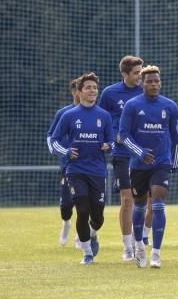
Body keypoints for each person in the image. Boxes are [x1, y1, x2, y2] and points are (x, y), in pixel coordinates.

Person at [120, 65, 178, 269]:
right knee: (138, 205)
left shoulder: (170, 106)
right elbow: (124, 136)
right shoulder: (132, 105)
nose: (154, 84)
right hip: (138, 165)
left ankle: (156, 253)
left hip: (161, 163)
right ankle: (138, 245)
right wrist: (140, 152)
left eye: (157, 81)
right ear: (141, 83)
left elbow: (175, 136)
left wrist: (174, 161)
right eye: (150, 81)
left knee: (158, 203)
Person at [50, 73, 114, 265]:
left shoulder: (104, 116)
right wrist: (67, 152)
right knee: (82, 209)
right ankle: (86, 253)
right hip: (76, 171)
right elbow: (54, 140)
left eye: (95, 87)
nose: (92, 91)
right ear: (79, 92)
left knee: (98, 216)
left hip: (97, 171)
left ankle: (93, 234)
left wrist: (108, 146)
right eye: (88, 87)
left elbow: (112, 141)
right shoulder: (69, 115)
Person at [99, 55, 144, 261]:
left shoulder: (147, 91)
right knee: (127, 199)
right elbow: (100, 120)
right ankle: (127, 247)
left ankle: (140, 241)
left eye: (141, 72)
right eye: (136, 73)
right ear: (125, 74)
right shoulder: (110, 93)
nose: (140, 77)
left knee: (141, 201)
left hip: (143, 155)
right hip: (122, 154)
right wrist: (111, 138)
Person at [46, 77, 80, 247]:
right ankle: (66, 223)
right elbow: (51, 136)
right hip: (68, 164)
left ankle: (81, 235)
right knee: (67, 202)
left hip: (89, 165)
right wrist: (56, 149)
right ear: (74, 91)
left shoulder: (97, 112)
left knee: (86, 202)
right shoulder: (64, 113)